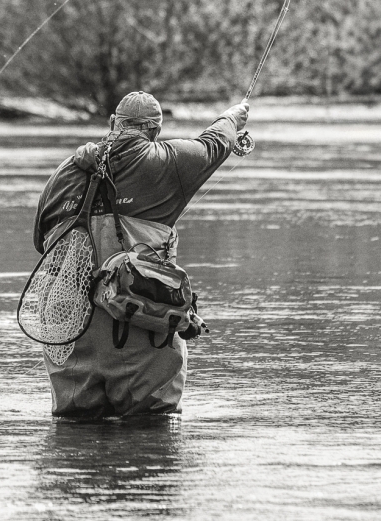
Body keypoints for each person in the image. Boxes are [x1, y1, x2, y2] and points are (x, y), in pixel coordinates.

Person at [32, 91, 249, 417]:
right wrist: (233, 117)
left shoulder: (65, 171)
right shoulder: (169, 159)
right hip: (138, 328)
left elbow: (40, 241)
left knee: (74, 438)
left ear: (111, 124)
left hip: (68, 330)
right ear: (155, 132)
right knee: (151, 435)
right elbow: (215, 142)